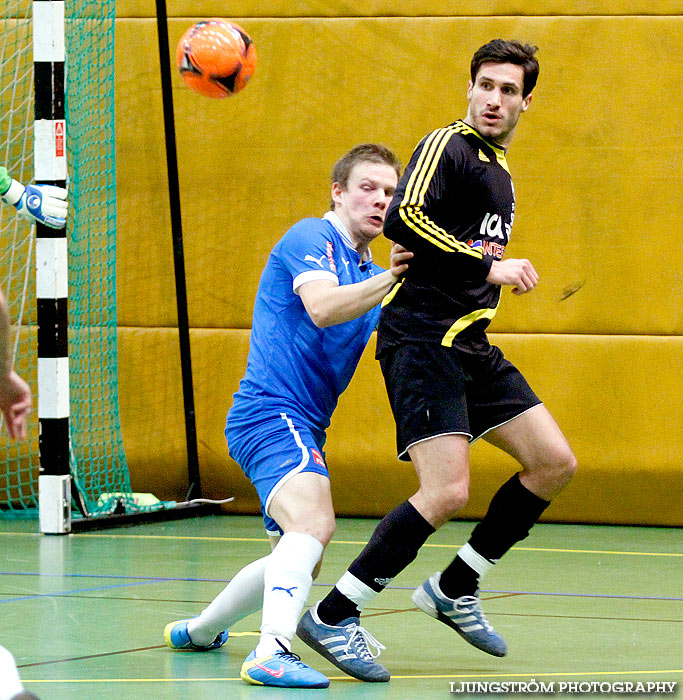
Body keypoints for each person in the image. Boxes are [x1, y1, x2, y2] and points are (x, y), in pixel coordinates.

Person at [296, 39, 578, 682]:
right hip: (422, 339)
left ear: (525, 102)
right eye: (486, 85)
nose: (494, 99)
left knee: (553, 463)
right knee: (447, 489)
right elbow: (405, 217)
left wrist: (484, 273)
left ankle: (455, 587)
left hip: (470, 343)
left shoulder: (500, 173)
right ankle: (337, 614)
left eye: (509, 91)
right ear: (470, 89)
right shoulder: (447, 146)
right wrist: (491, 265)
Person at [163, 144, 411, 688]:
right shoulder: (312, 237)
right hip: (272, 413)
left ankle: (200, 631)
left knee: (299, 558)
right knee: (314, 525)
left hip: (302, 423)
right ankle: (271, 651)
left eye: (391, 193)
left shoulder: (367, 270)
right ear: (337, 191)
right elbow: (321, 308)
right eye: (367, 187)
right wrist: (391, 282)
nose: (380, 200)